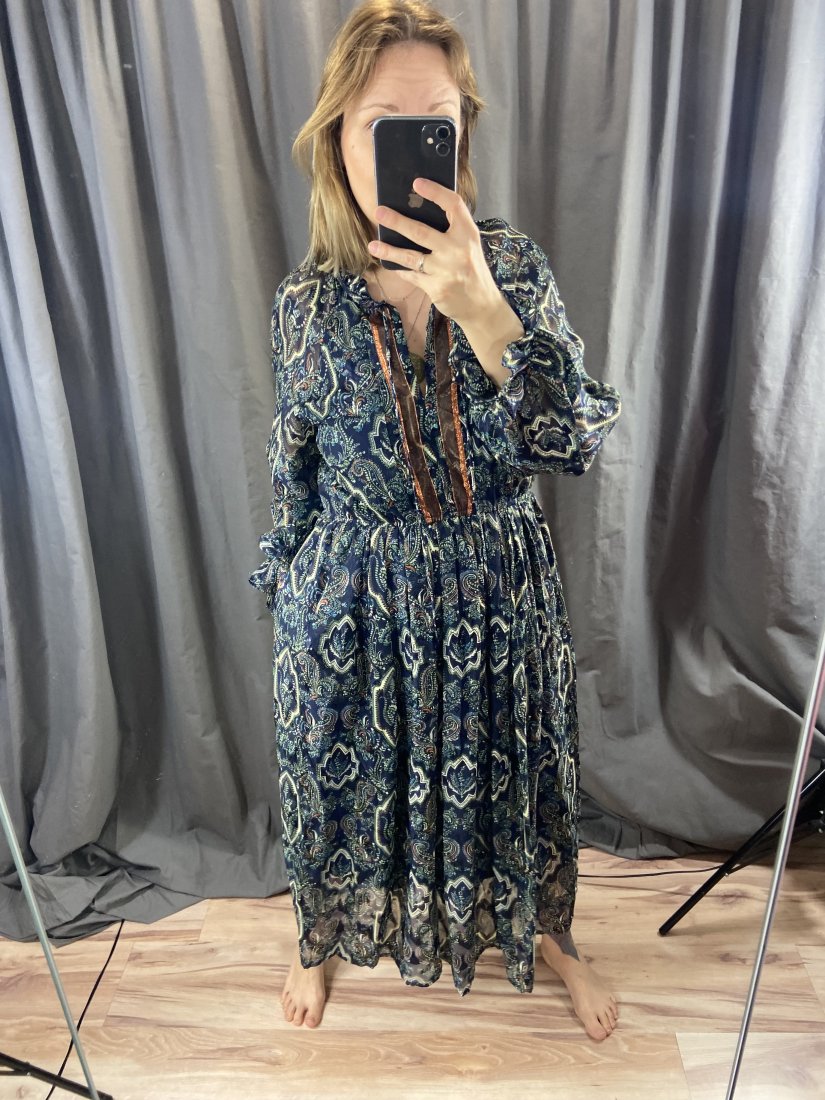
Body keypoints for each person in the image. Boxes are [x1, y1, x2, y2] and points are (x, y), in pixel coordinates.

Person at [248, 0, 622, 1039]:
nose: (416, 143)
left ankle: (552, 937)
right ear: (339, 137)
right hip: (355, 598)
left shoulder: (514, 268)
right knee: (333, 779)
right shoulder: (305, 305)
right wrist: (286, 580)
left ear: (460, 132)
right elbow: (294, 462)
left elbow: (575, 441)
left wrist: (482, 309)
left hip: (498, 590)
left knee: (524, 780)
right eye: (385, 122)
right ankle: (317, 938)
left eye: (437, 121)